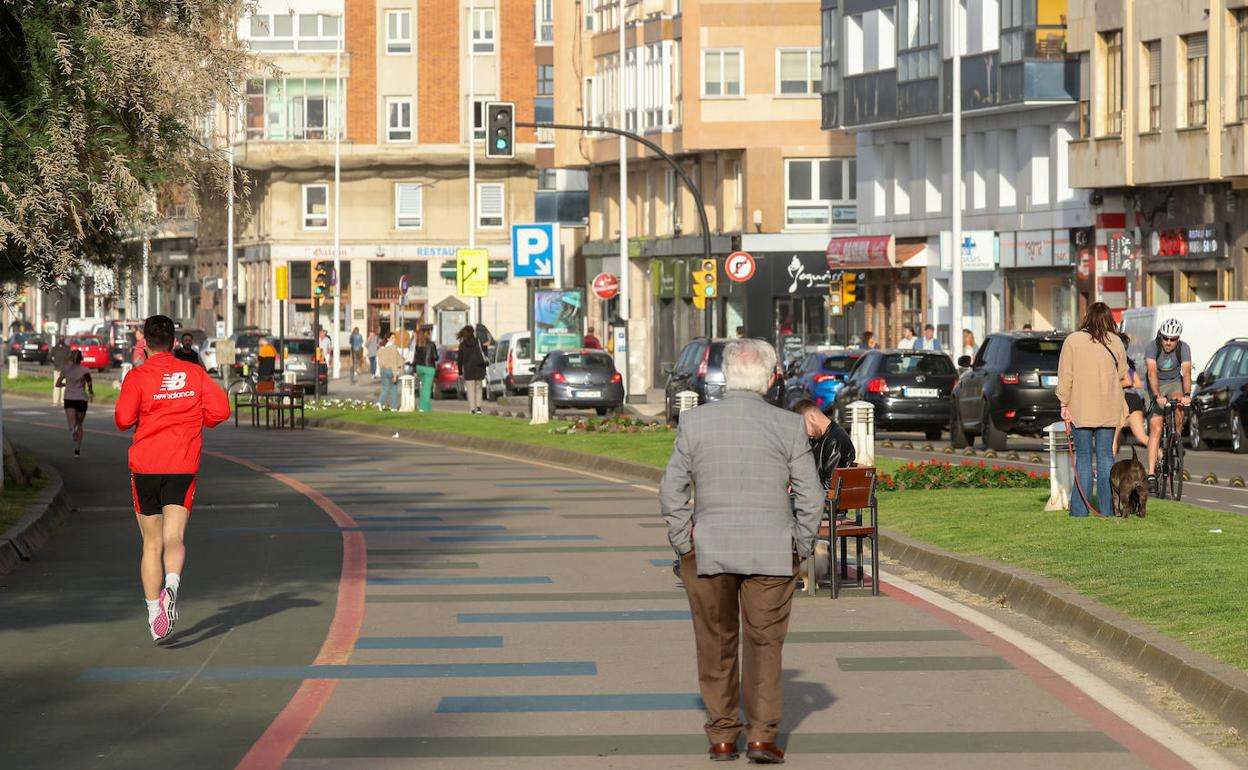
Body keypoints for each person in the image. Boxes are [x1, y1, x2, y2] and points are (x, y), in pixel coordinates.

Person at [660, 338, 822, 765]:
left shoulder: (695, 423)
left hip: (707, 548)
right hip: (772, 550)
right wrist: (799, 545)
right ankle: (762, 737)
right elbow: (811, 495)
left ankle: (722, 737)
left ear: (727, 376)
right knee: (765, 643)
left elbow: (671, 488)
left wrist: (683, 539)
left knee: (715, 643)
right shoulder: (788, 425)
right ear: (770, 380)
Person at [115, 315, 231, 641]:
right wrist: (197, 418)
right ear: (176, 342)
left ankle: (155, 616)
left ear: (144, 344)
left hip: (146, 466)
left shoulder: (138, 376)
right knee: (174, 539)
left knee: (150, 544)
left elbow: (123, 419)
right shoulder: (194, 373)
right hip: (182, 463)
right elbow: (221, 411)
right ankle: (172, 587)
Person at [1056, 302, 1127, 517]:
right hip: (1107, 408)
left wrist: (1063, 403)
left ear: (1087, 317)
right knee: (1106, 457)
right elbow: (1122, 373)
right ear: (1108, 318)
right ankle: (1107, 509)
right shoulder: (1115, 341)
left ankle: (1080, 510)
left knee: (1084, 458)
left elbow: (1065, 375)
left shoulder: (1073, 340)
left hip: (1081, 408)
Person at [1144, 318, 1192, 491]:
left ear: (1178, 339)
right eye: (1165, 338)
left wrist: (1187, 394)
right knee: (1156, 426)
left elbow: (1186, 373)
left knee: (1179, 405)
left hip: (1174, 382)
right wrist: (1157, 396)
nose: (1168, 342)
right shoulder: (1152, 347)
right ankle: (1150, 473)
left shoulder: (1184, 348)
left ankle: (1176, 440)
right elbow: (1151, 372)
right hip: (1155, 385)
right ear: (1160, 336)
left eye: (1173, 339)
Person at [791, 399, 856, 486]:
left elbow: (829, 485)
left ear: (812, 418)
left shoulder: (836, 441)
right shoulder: (817, 438)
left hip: (826, 497)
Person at [1112, 332, 1149, 456]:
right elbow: (1138, 383)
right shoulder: (1129, 363)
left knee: (1112, 438)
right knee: (1141, 436)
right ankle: (1160, 454)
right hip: (1134, 399)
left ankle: (1108, 470)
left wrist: (1112, 384)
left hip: (1123, 399)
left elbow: (1127, 380)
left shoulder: (1119, 362)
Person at [56, 351, 93, 458]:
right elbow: (89, 383)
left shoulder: (66, 369)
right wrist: (90, 393)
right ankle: (77, 451)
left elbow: (57, 384)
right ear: (81, 359)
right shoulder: (85, 370)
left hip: (69, 398)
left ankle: (73, 429)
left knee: (71, 422)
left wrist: (66, 384)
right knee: (80, 424)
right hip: (81, 399)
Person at [456, 325, 488, 414]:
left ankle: (472, 409)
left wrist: (460, 371)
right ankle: (478, 408)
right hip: (479, 369)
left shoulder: (462, 345)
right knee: (479, 389)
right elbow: (484, 353)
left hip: (469, 370)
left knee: (470, 390)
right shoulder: (478, 342)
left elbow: (460, 359)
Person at [411, 328, 439, 413]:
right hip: (429, 367)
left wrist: (414, 370)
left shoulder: (418, 344)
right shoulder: (431, 344)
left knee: (424, 388)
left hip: (419, 367)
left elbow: (415, 358)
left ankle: (423, 406)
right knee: (427, 388)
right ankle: (424, 408)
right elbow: (435, 357)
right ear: (428, 334)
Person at [376, 332, 403, 410]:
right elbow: (393, 362)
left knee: (385, 388)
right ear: (388, 339)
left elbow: (379, 360)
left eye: (394, 338)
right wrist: (395, 374)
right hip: (390, 370)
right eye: (392, 338)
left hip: (383, 370)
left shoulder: (382, 348)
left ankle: (380, 402)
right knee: (394, 388)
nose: (394, 339)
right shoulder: (393, 347)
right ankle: (393, 407)